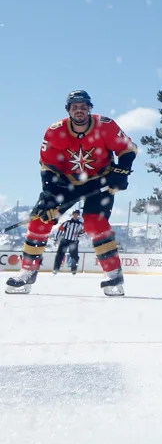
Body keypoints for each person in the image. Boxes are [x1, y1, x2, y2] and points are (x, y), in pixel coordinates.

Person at [7, 91, 136, 296]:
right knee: (40, 220)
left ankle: (113, 275)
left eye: (83, 106)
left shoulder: (105, 125)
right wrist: (49, 195)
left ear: (89, 109)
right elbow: (48, 166)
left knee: (95, 223)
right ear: (68, 110)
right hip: (66, 183)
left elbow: (127, 149)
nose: (79, 110)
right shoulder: (54, 131)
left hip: (99, 182)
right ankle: (27, 271)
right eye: (75, 106)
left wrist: (122, 172)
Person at [52, 209, 84, 275]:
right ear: (72, 215)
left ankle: (74, 270)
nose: (75, 215)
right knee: (59, 254)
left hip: (74, 241)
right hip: (65, 240)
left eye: (77, 214)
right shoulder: (67, 223)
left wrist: (78, 235)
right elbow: (60, 230)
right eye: (74, 214)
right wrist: (56, 239)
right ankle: (56, 269)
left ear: (78, 215)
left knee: (74, 256)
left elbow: (83, 232)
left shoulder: (80, 225)